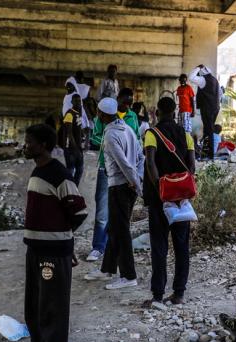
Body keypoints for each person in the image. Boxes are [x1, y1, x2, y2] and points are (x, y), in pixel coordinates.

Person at [22, 124, 87, 342]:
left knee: (52, 311)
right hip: (35, 251)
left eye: (30, 142)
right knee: (34, 309)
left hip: (52, 253)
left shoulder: (58, 173)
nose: (25, 146)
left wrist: (63, 243)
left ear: (44, 145)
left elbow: (79, 211)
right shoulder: (39, 170)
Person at [141, 96, 196, 306]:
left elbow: (150, 163)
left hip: (159, 200)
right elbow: (191, 168)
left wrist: (161, 190)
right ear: (175, 112)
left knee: (159, 247)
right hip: (181, 200)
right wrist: (179, 190)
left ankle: (157, 296)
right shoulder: (186, 134)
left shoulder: (151, 134)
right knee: (182, 246)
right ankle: (179, 294)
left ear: (157, 112)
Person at [84, 98, 144, 290]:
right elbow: (139, 157)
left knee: (121, 231)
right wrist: (138, 179)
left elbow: (123, 164)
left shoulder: (110, 136)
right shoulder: (127, 129)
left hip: (119, 187)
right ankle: (107, 269)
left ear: (102, 115)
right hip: (127, 186)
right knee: (114, 228)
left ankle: (128, 275)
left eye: (99, 114)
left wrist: (136, 184)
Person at [189, 64, 221, 160]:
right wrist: (215, 103)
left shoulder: (203, 80)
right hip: (215, 108)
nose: (198, 74)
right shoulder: (215, 80)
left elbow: (191, 77)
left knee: (208, 130)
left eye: (199, 73)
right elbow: (220, 93)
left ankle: (209, 155)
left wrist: (197, 67)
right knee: (208, 129)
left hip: (207, 108)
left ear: (202, 72)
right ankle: (206, 153)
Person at [59, 94, 84, 185]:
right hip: (70, 148)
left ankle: (74, 190)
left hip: (78, 147)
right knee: (70, 170)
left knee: (80, 169)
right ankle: (69, 191)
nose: (78, 103)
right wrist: (75, 149)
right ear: (72, 102)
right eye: (76, 101)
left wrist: (83, 135)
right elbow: (69, 133)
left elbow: (78, 127)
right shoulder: (69, 114)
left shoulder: (78, 113)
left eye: (79, 101)